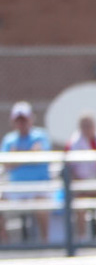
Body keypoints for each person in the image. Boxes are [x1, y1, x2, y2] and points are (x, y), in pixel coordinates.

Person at [3, 101, 53, 243]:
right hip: (16, 188)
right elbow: (6, 164)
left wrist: (16, 157)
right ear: (13, 122)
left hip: (39, 187)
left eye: (24, 120)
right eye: (18, 120)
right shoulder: (9, 139)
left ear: (31, 119)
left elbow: (39, 157)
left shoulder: (41, 136)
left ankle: (45, 243)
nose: (21, 124)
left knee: (42, 203)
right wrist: (29, 154)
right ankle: (5, 245)